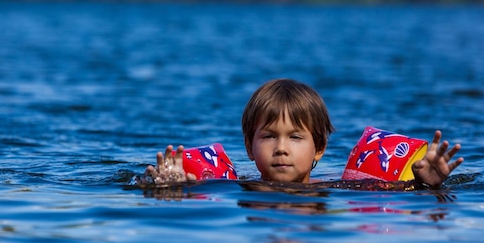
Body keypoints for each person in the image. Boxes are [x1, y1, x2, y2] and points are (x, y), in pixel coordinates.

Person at [144, 78, 463, 188]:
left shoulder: (341, 189)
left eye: (295, 137)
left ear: (319, 147)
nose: (281, 148)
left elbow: (400, 197)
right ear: (249, 146)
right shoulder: (240, 190)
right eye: (268, 136)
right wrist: (175, 189)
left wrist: (424, 184)